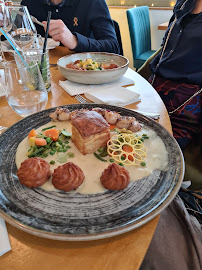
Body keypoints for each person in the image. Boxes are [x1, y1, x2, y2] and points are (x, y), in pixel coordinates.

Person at [149, 0, 202, 150]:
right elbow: (166, 49)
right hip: (154, 88)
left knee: (156, 153)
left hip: (185, 104)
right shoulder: (184, 3)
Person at [20, 0, 120, 54]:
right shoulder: (29, 2)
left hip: (84, 75)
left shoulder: (92, 2)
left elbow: (113, 46)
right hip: (42, 73)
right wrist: (4, 25)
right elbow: (15, 39)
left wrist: (75, 41)